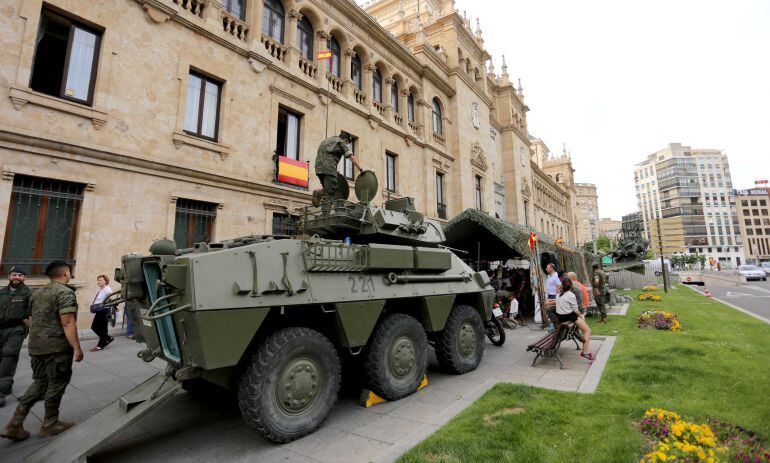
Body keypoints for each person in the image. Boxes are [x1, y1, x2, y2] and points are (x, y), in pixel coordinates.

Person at [1, 260, 84, 441]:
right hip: (56, 348)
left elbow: (30, 319)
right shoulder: (64, 292)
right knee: (56, 383)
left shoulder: (38, 293)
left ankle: (15, 423)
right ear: (66, 273)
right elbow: (67, 321)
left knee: (39, 383)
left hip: (36, 347)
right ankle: (50, 423)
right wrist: (77, 347)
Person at [0, 266, 32, 407]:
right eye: (14, 275)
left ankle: (0, 392)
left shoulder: (28, 293)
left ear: (24, 278)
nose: (17, 277)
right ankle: (7, 385)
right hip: (0, 329)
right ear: (9, 276)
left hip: (16, 329)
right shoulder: (2, 293)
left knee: (8, 357)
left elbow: (31, 315)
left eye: (20, 275)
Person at [312, 131, 363, 206]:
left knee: (329, 188)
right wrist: (361, 169)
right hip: (329, 169)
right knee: (329, 195)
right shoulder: (340, 142)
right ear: (346, 140)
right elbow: (351, 157)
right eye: (347, 143)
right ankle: (326, 215)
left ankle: (320, 192)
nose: (347, 144)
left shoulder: (327, 140)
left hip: (319, 169)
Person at [553, 276, 594, 361]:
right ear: (571, 285)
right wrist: (581, 316)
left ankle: (577, 332)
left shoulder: (558, 293)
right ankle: (585, 352)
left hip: (561, 317)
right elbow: (576, 311)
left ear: (562, 284)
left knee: (580, 320)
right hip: (569, 316)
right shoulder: (571, 295)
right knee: (587, 330)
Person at [90, 275, 114, 352]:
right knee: (95, 327)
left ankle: (101, 345)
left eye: (100, 280)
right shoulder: (102, 289)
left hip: (104, 310)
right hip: (100, 310)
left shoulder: (107, 289)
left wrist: (109, 304)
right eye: (98, 280)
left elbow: (111, 298)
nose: (98, 282)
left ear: (105, 281)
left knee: (102, 327)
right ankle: (107, 338)